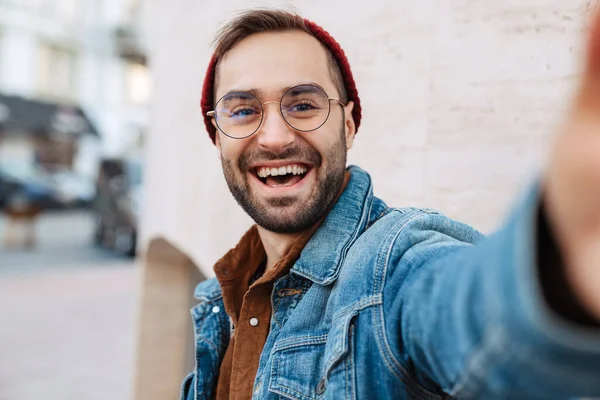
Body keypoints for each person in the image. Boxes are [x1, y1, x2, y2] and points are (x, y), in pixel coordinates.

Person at [181, 8, 600, 400]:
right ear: (217, 136)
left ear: (347, 125)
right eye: (243, 111)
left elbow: (467, 314)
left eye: (304, 105)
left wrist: (559, 271)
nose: (274, 137)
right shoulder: (220, 299)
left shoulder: (391, 266)